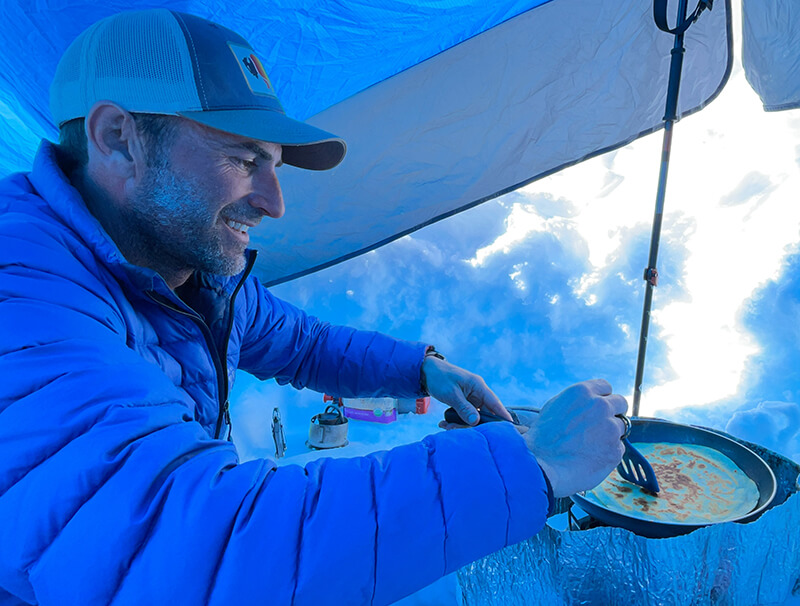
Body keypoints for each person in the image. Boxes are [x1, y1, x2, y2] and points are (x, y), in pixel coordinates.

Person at [0, 9, 628, 606]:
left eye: (273, 167)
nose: (274, 204)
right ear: (119, 140)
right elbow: (196, 549)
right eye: (244, 160)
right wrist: (533, 462)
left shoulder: (184, 272)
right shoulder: (26, 305)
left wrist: (423, 369)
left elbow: (302, 342)